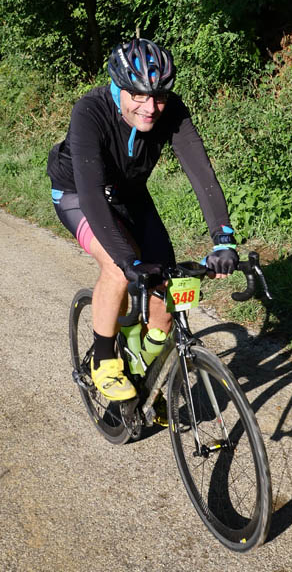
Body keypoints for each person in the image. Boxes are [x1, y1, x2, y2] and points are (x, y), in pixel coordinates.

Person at [47, 38, 238, 410]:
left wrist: (223, 239)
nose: (150, 108)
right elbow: (91, 195)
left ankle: (141, 372)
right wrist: (127, 260)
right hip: (78, 195)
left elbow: (202, 175)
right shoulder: (90, 111)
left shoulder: (172, 110)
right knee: (118, 269)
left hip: (130, 194)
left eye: (159, 96)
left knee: (168, 287)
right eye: (138, 95)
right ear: (118, 87)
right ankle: (104, 359)